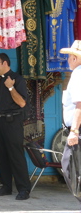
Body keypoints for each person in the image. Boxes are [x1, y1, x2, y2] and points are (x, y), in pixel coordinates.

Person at [0, 53, 31, 200]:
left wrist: (11, 88)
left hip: (12, 122)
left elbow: (22, 103)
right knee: (1, 155)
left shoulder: (17, 79)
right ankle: (6, 186)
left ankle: (24, 189)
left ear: (5, 63)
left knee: (16, 155)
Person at [59, 40, 81, 203]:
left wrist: (74, 131)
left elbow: (79, 104)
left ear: (74, 57)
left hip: (77, 129)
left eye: (69, 57)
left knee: (70, 165)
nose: (67, 60)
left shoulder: (78, 74)